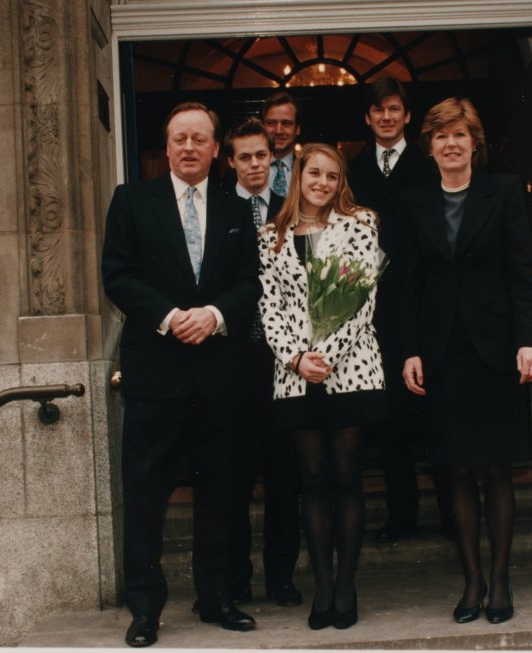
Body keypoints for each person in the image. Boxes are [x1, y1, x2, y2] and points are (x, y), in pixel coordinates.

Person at [102, 102, 260, 647]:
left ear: (217, 150)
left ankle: (216, 597)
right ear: (165, 148)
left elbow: (249, 282)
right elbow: (117, 276)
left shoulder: (237, 210)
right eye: (179, 139)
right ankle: (145, 608)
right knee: (145, 495)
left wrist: (213, 316)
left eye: (199, 139)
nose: (189, 147)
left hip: (219, 377)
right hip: (156, 376)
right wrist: (172, 319)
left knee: (221, 491)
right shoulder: (132, 201)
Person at [396, 97, 532, 625]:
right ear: (429, 146)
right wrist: (410, 348)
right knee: (455, 470)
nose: (451, 144)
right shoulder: (414, 201)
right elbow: (407, 284)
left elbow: (522, 271)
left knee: (496, 469)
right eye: (441, 136)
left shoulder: (502, 191)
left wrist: (530, 340)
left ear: (474, 142)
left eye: (460, 135)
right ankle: (472, 582)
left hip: (496, 351)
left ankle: (500, 582)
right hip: (442, 354)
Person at [258, 143, 386, 630]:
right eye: (314, 173)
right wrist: (296, 358)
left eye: (332, 176)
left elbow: (361, 298)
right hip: (294, 376)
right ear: (298, 176)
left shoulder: (361, 223)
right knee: (311, 483)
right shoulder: (270, 235)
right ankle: (324, 588)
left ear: (341, 182)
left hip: (349, 371)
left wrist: (325, 357)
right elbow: (269, 307)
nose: (322, 183)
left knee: (346, 478)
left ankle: (347, 587)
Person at [348, 76, 445, 544]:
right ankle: (401, 515)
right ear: (367, 118)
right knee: (389, 425)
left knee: (438, 414)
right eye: (377, 110)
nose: (385, 116)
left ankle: (452, 516)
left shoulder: (430, 165)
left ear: (407, 116)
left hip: (429, 307)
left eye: (394, 109)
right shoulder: (354, 168)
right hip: (377, 314)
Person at [222, 117, 303, 608]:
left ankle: (281, 578)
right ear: (230, 161)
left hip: (283, 364)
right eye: (246, 157)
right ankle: (236, 579)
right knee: (233, 478)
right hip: (233, 362)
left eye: (263, 157)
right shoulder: (217, 211)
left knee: (284, 476)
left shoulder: (289, 210)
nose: (255, 165)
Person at [261, 92, 302, 197]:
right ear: (262, 127)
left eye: (286, 123)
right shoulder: (239, 172)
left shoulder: (306, 169)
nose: (278, 131)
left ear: (297, 129)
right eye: (271, 123)